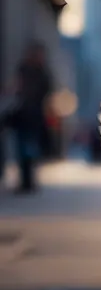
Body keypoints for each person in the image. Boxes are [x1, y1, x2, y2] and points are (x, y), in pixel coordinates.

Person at [8, 43, 53, 193]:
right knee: (23, 150)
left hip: (33, 117)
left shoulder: (41, 73)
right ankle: (25, 180)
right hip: (23, 116)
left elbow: (46, 91)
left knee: (30, 149)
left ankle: (29, 181)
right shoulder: (25, 70)